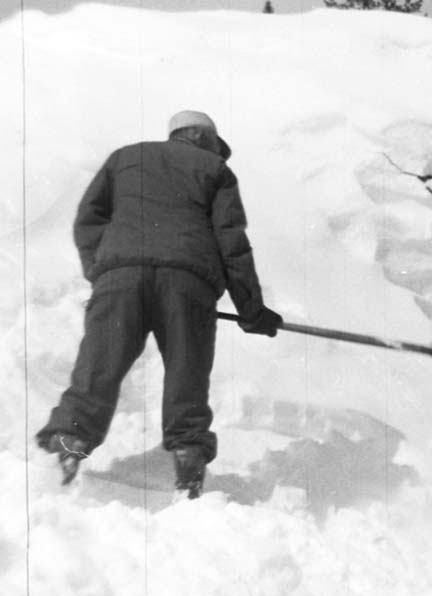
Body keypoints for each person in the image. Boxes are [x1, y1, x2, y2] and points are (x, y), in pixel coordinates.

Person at [36, 110, 283, 498]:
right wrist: (252, 310)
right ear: (201, 137)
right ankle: (188, 464)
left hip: (120, 279)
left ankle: (70, 444)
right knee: (187, 372)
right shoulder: (215, 171)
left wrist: (103, 271)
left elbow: (88, 219)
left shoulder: (125, 158)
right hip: (187, 285)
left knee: (99, 364)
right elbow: (232, 243)